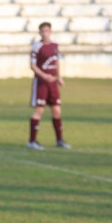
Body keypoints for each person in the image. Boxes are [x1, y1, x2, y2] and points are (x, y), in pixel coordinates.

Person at [27, 22, 71, 150]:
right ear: (40, 32)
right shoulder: (37, 47)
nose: (45, 33)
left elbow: (56, 61)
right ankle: (32, 141)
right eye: (43, 31)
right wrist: (44, 76)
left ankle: (59, 140)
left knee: (57, 110)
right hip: (41, 83)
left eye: (47, 30)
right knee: (39, 110)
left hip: (53, 83)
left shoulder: (54, 45)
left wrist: (59, 77)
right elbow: (33, 65)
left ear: (50, 31)